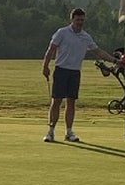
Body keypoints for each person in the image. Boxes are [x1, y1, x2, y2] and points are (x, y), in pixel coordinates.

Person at [41, 8, 116, 142]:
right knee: (57, 101)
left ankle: (69, 132)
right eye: (77, 20)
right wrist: (45, 66)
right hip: (61, 70)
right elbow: (51, 49)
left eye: (82, 20)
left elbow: (98, 52)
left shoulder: (85, 37)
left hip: (75, 72)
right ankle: (51, 131)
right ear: (72, 19)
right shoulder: (62, 32)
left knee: (71, 102)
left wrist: (115, 61)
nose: (80, 22)